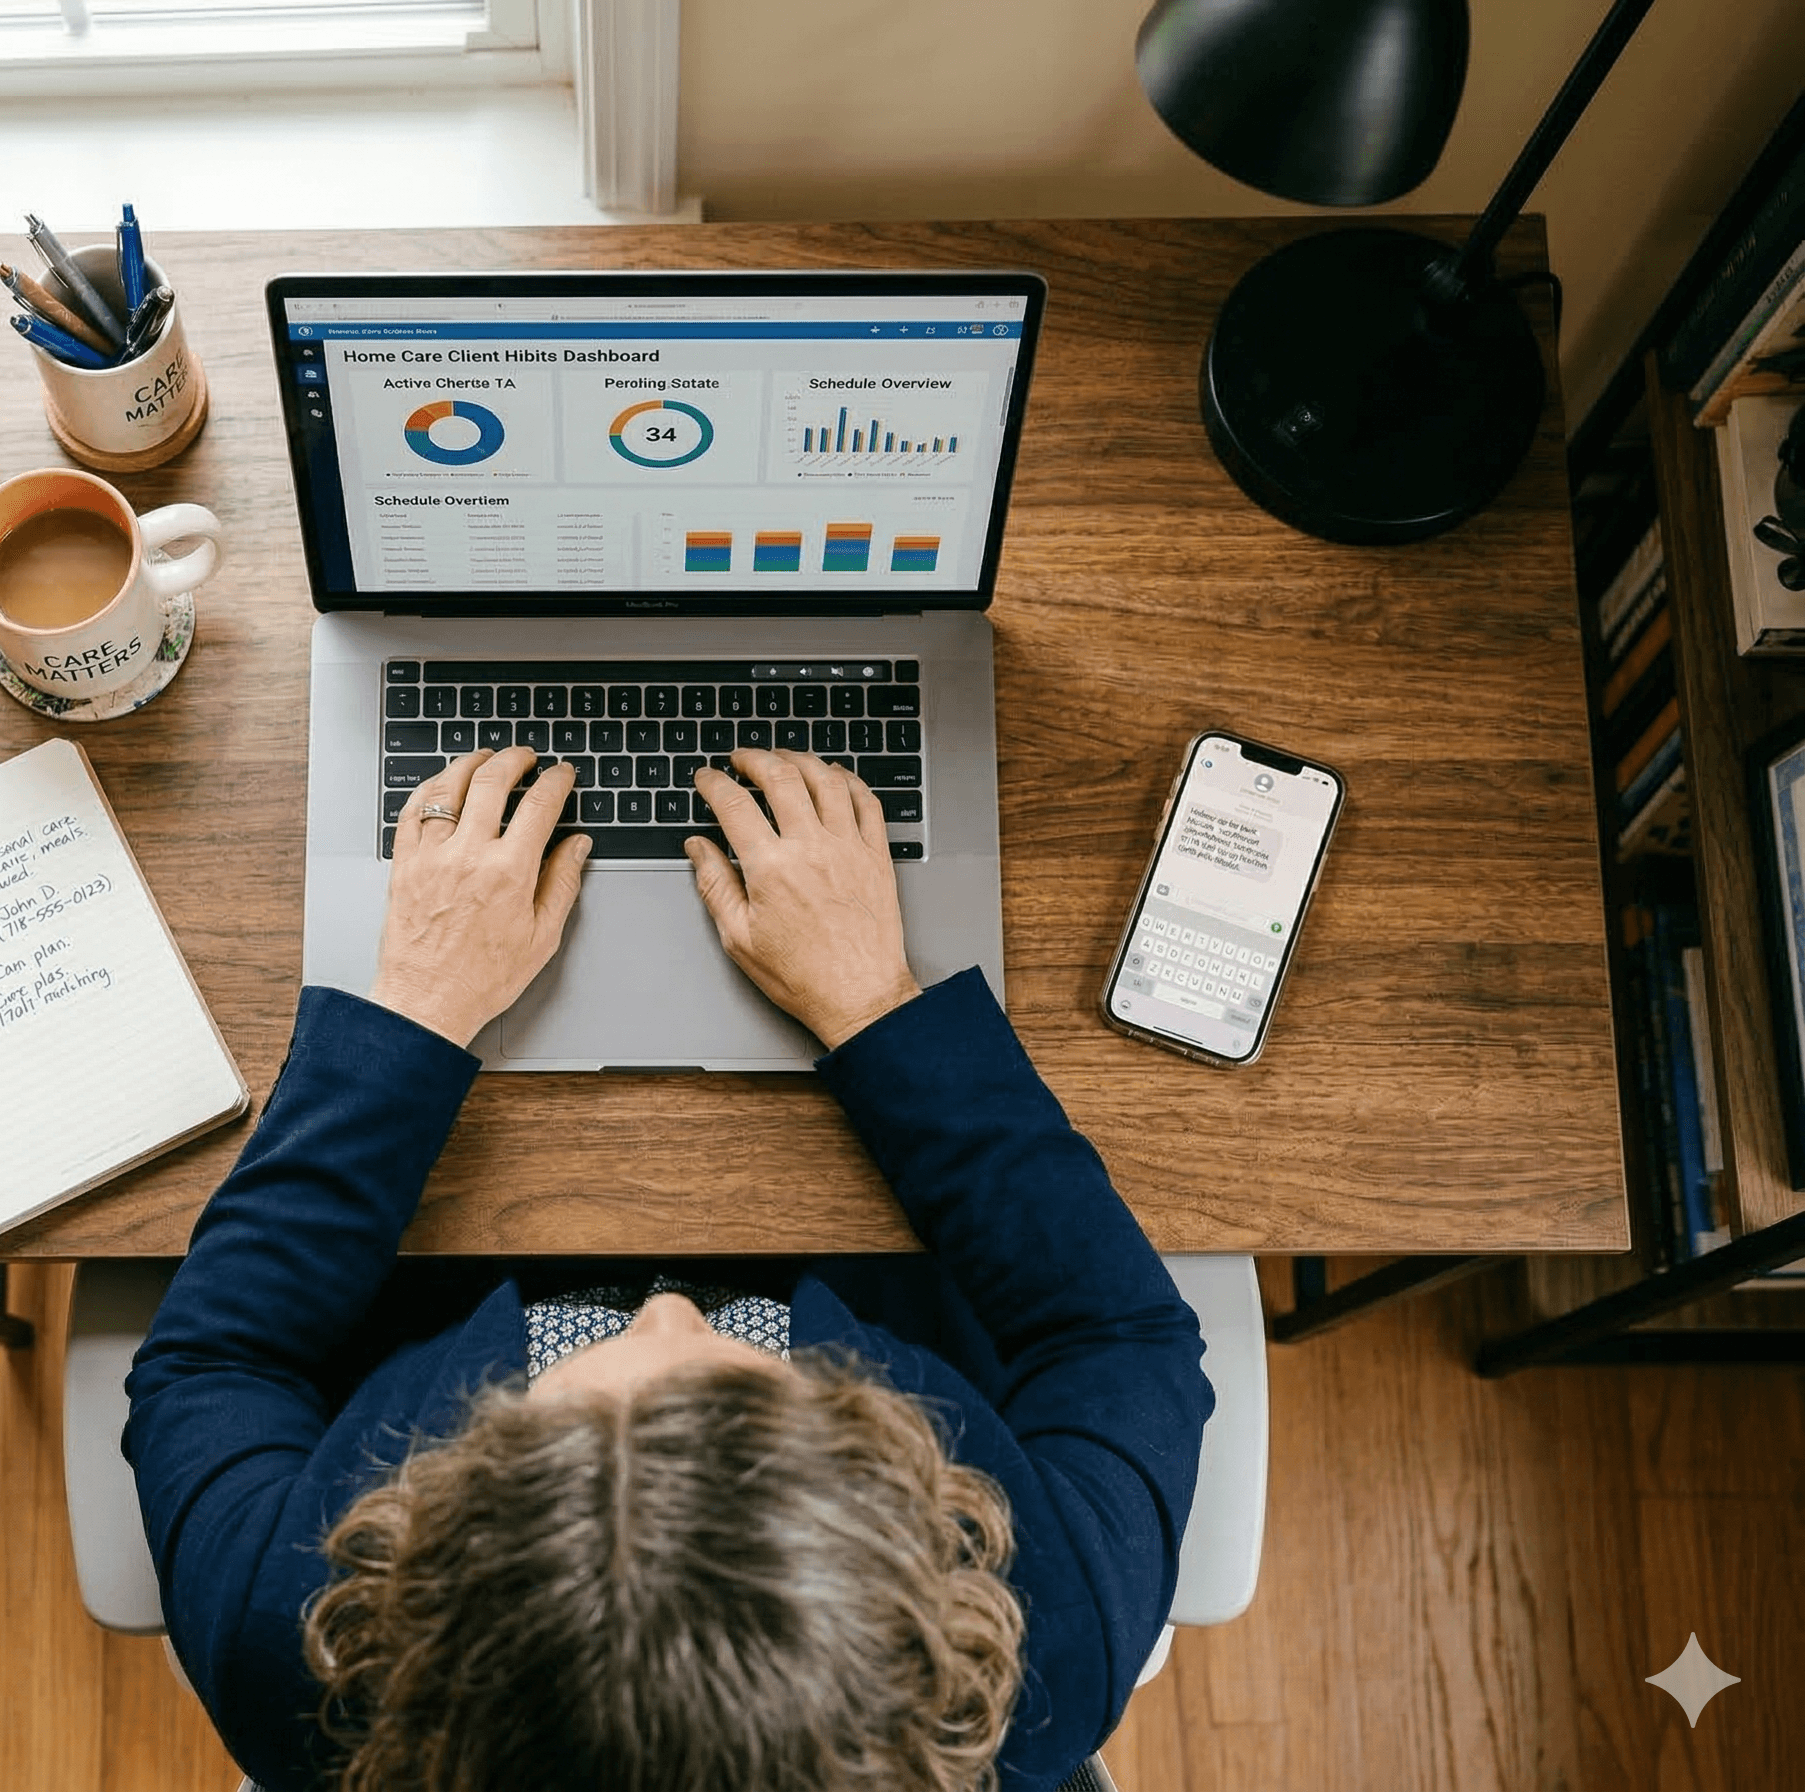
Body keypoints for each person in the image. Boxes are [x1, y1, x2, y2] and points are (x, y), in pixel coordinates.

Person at [125, 745, 1212, 1792]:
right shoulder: (1043, 1644)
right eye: (748, 1375)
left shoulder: (290, 1651)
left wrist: (416, 1000)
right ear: (901, 1530)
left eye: (542, 1412)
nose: (670, 1308)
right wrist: (876, 1000)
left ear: (423, 1545)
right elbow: (1117, 1337)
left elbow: (218, 1360)